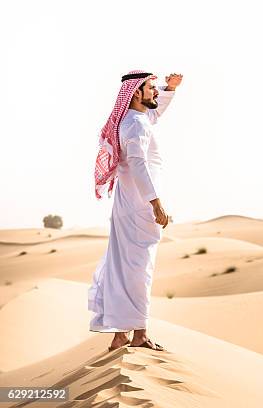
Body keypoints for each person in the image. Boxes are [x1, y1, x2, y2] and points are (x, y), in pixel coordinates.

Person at [88, 70, 183, 351]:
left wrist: (169, 89)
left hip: (128, 205)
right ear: (135, 93)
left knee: (123, 268)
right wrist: (156, 204)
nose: (155, 92)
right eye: (151, 88)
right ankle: (139, 334)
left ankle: (120, 335)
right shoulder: (136, 126)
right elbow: (139, 165)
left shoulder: (134, 120)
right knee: (140, 270)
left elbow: (154, 113)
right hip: (140, 207)